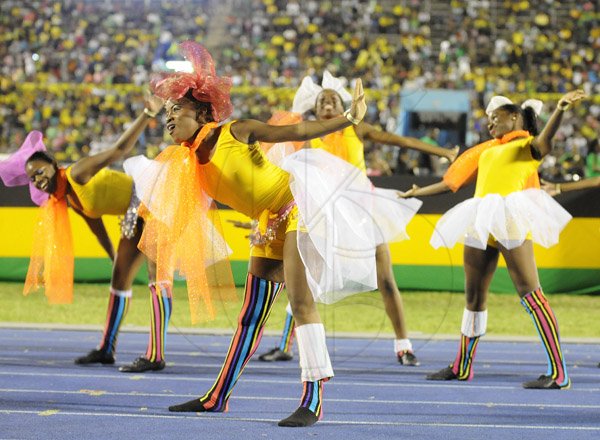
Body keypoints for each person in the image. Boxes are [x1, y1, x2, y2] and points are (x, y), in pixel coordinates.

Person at [125, 41, 420, 427]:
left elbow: (298, 128)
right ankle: (217, 397)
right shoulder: (186, 163)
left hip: (299, 206)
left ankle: (312, 400)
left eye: (175, 109)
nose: (167, 118)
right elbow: (171, 207)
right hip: (268, 222)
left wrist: (348, 118)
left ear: (199, 112)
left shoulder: (235, 131)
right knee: (250, 316)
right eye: (166, 112)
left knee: (300, 302)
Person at [259, 72, 459, 366]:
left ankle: (404, 346)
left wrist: (442, 151)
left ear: (343, 107)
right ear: (315, 110)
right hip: (324, 211)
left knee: (385, 279)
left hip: (363, 207)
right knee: (303, 280)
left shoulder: (357, 128)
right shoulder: (307, 135)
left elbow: (399, 141)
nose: (327, 102)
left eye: (333, 99)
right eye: (322, 100)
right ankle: (286, 344)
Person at [399, 90, 587, 389]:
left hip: (510, 216)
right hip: (480, 217)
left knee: (531, 293)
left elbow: (545, 143)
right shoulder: (488, 150)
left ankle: (559, 372)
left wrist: (560, 110)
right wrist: (416, 193)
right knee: (473, 297)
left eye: (495, 118)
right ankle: (462, 366)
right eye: (488, 120)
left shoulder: (527, 145)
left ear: (515, 117)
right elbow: (451, 184)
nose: (490, 124)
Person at [0, 93, 171, 374]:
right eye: (32, 178)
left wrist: (148, 115)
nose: (38, 180)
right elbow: (97, 228)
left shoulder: (78, 173)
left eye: (40, 172)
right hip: (134, 214)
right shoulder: (67, 196)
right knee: (119, 279)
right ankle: (106, 349)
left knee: (157, 278)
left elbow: (118, 151)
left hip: (153, 200)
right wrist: (113, 256)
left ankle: (155, 355)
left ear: (54, 165)